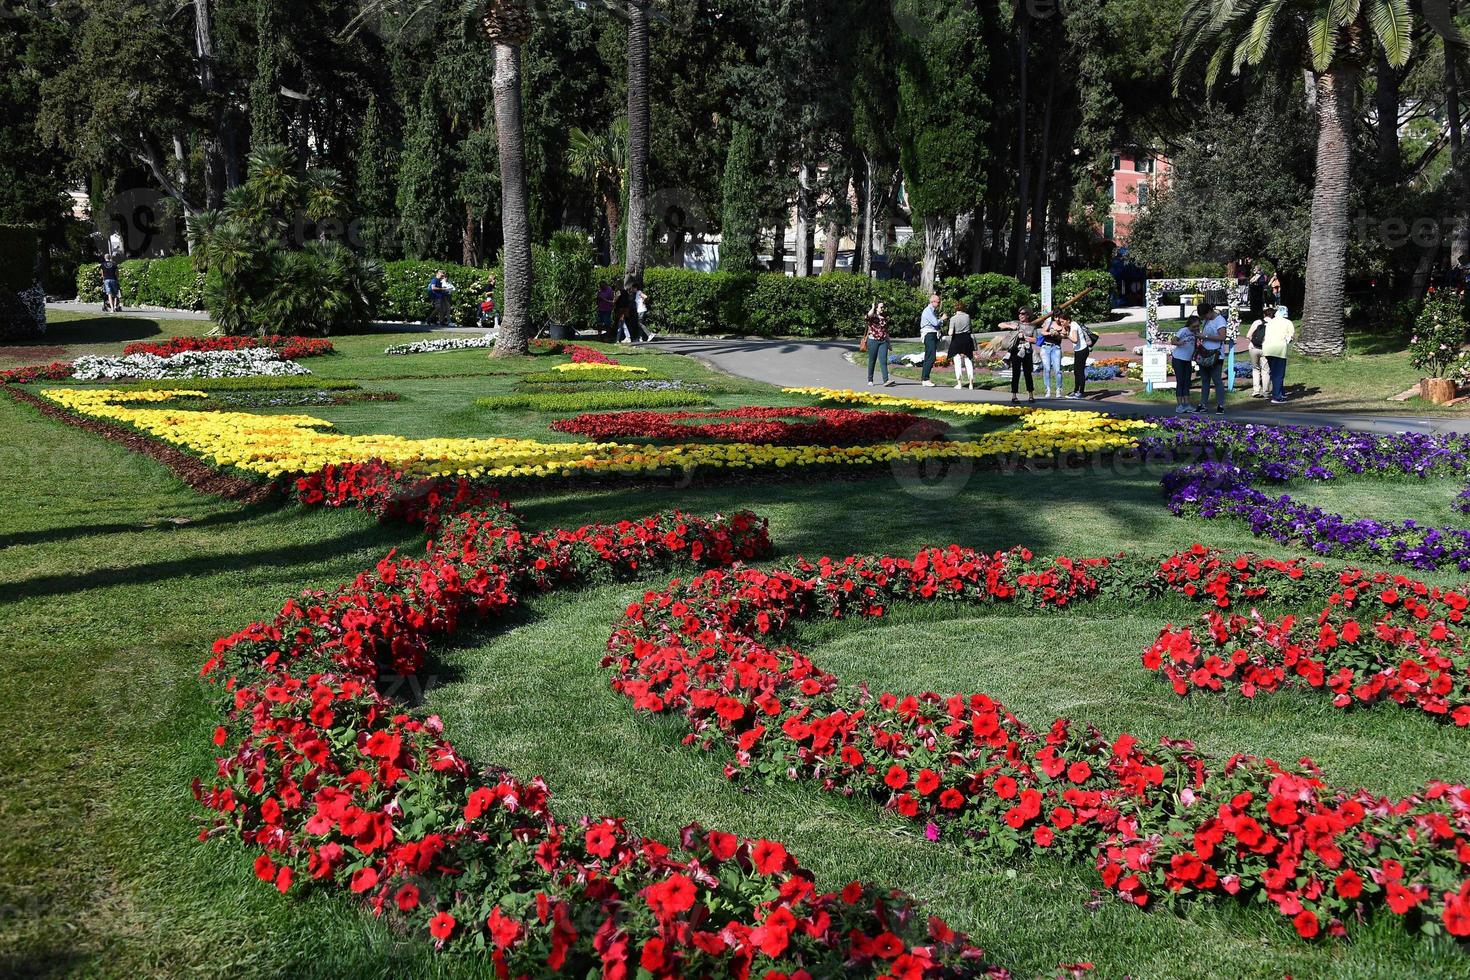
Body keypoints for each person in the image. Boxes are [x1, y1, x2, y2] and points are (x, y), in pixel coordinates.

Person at [1196, 302, 1228, 414]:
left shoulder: (1219, 321)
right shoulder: (1206, 321)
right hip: (1204, 353)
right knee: (1205, 380)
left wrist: (1205, 336)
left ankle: (1220, 404)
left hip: (1215, 355)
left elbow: (1222, 337)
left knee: (1217, 380)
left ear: (1210, 312)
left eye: (1205, 315)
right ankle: (1203, 404)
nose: (1204, 318)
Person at [1260, 304, 1295, 403]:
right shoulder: (1287, 322)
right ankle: (1276, 397)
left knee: (1274, 372)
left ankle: (1281, 393)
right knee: (1279, 374)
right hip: (1279, 350)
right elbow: (1291, 336)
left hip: (1267, 349)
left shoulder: (1270, 322)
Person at [1007, 308, 1038, 404]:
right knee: (1015, 373)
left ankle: (1031, 395)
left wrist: (1025, 337)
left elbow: (1036, 340)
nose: (1020, 315)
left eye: (1023, 314)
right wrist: (1012, 327)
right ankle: (1014, 396)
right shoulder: (1016, 323)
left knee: (1027, 373)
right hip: (1016, 350)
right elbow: (1000, 324)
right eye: (1019, 313)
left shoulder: (1032, 326)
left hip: (1027, 350)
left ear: (1028, 315)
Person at [1171, 315, 1199, 414]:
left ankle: (1187, 404)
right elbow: (1173, 341)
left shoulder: (1196, 333)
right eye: (1194, 326)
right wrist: (1179, 343)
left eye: (1197, 326)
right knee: (1181, 381)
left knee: (1187, 382)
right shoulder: (1183, 331)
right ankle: (1179, 405)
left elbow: (1194, 345)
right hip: (1178, 359)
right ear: (1190, 324)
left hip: (1187, 360)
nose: (1195, 328)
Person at [864, 301, 895, 387]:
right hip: (873, 340)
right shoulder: (872, 317)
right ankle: (870, 379)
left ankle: (886, 380)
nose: (883, 309)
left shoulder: (884, 317)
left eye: (883, 307)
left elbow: (886, 331)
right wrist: (872, 307)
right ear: (877, 308)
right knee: (872, 360)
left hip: (883, 341)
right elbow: (868, 315)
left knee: (883, 360)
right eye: (881, 307)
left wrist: (889, 343)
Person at [946, 301, 975, 389]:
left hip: (957, 339)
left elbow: (950, 333)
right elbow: (970, 328)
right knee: (968, 360)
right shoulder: (967, 316)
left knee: (957, 361)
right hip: (966, 338)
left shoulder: (953, 318)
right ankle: (971, 383)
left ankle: (959, 383)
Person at [1064, 314, 1092, 399]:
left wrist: (1067, 335)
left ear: (1068, 320)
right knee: (1076, 371)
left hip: (1082, 350)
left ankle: (1081, 392)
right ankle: (1076, 391)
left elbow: (1075, 340)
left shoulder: (1074, 326)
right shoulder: (1071, 326)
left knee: (1080, 371)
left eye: (1062, 321)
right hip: (1078, 350)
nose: (1062, 323)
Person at [1037, 313, 1065, 399]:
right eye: (1056, 317)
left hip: (1056, 348)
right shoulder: (1049, 323)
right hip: (1046, 347)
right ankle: (1048, 389)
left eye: (1059, 317)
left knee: (1057, 370)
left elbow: (1064, 335)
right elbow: (1042, 332)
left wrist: (1058, 335)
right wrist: (1050, 333)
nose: (1057, 319)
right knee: (1047, 369)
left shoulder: (1063, 325)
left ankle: (1058, 389)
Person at [919, 293, 944, 386]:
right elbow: (935, 323)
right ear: (932, 302)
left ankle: (925, 378)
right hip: (929, 334)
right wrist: (942, 319)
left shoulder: (932, 311)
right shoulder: (928, 311)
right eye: (938, 302)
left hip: (932, 334)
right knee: (931, 356)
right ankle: (925, 379)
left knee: (928, 356)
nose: (939, 304)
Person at [1247, 314, 1268, 398]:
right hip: (1266, 348)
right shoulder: (1273, 323)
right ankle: (1265, 391)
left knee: (1255, 369)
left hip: (1253, 348)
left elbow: (1248, 335)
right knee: (1265, 370)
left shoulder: (1257, 322)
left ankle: (1256, 390)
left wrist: (1254, 340)